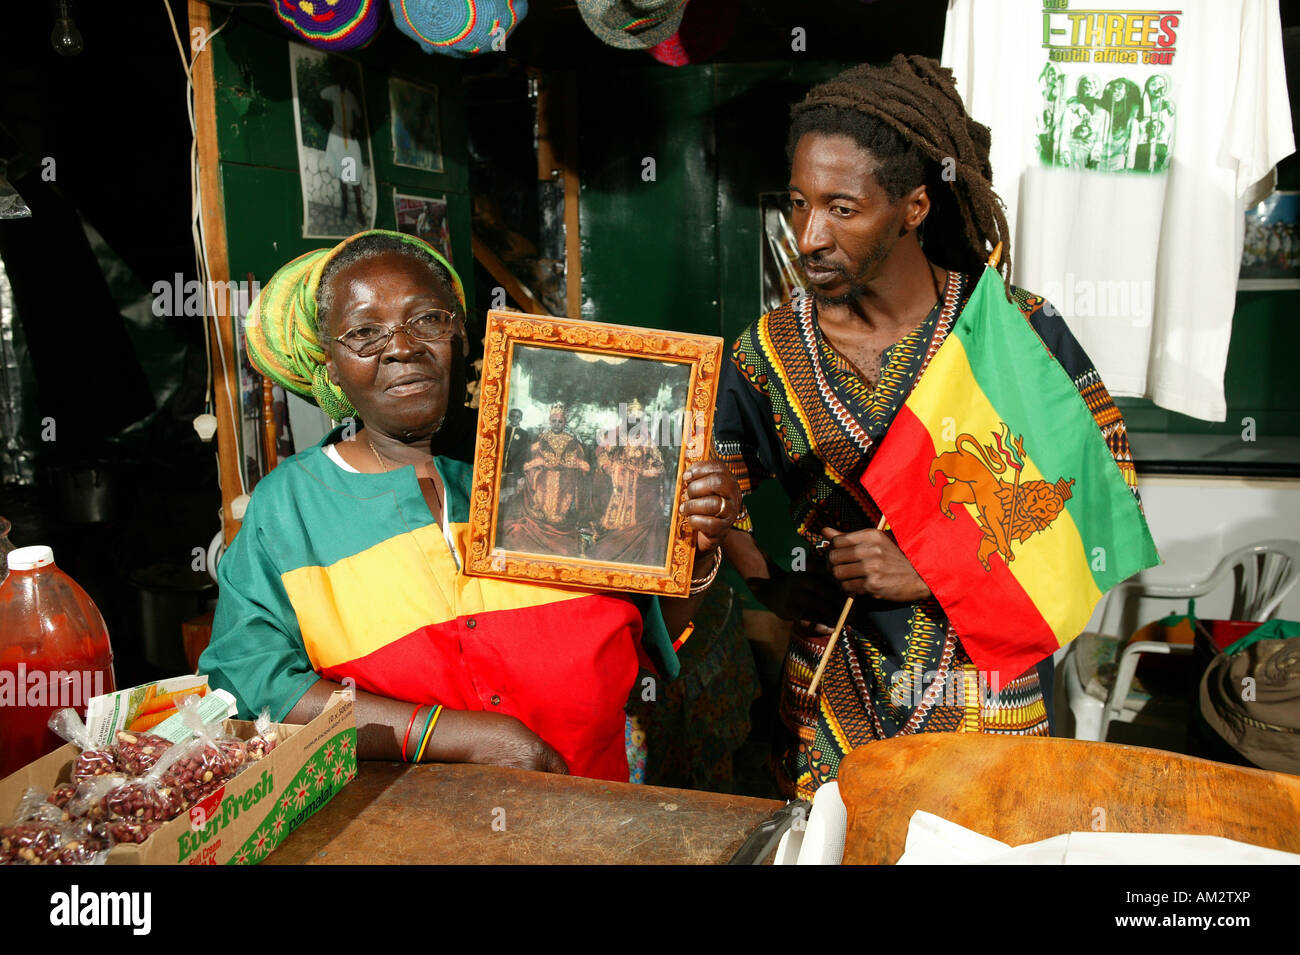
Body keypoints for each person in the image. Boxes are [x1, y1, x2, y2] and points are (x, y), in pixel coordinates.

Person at [714, 57, 1141, 800]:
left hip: (987, 697)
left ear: (913, 207)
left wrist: (932, 566)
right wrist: (769, 584)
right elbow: (718, 487)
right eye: (797, 203)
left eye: (842, 208)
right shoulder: (771, 350)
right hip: (831, 702)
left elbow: (1105, 498)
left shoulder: (1011, 332)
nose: (809, 235)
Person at [199, 229, 740, 782]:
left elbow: (647, 641)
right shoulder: (290, 508)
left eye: (428, 319)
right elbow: (249, 681)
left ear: (462, 333)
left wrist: (693, 551)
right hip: (408, 831)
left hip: (591, 814)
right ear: (330, 366)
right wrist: (449, 736)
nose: (403, 347)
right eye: (364, 332)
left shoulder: (527, 472)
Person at [588, 398, 669, 565]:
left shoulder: (646, 441)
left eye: (639, 419)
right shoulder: (615, 437)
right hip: (615, 486)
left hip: (638, 491)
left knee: (642, 520)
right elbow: (602, 455)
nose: (635, 422)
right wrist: (608, 468)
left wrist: (650, 471)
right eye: (632, 418)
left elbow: (658, 464)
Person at [503, 403, 591, 558]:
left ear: (565, 423)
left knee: (559, 516)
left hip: (565, 482)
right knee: (540, 513)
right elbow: (532, 459)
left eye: (560, 421)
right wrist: (539, 464)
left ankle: (558, 543)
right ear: (550, 421)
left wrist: (568, 464)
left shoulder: (571, 441)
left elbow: (578, 461)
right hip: (543, 481)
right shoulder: (541, 440)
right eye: (554, 421)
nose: (557, 424)